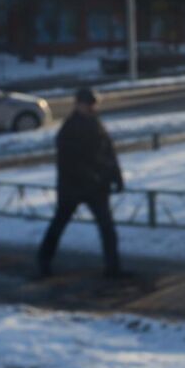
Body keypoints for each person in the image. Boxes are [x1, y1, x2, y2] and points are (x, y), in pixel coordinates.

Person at [37, 87, 124, 278]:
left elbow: (108, 152)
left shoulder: (96, 124)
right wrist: (89, 176)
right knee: (59, 224)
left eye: (93, 104)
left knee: (107, 227)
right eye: (88, 104)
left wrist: (116, 177)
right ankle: (43, 261)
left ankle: (113, 267)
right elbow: (67, 162)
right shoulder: (69, 129)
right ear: (78, 105)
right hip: (73, 188)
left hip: (96, 186)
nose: (91, 108)